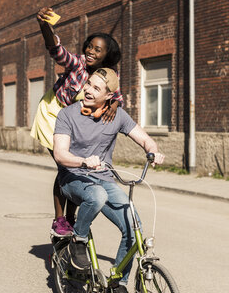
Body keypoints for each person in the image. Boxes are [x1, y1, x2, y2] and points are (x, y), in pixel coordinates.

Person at [53, 68, 165, 292]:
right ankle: (79, 241)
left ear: (109, 96)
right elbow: (60, 154)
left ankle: (119, 282)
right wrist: (84, 161)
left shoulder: (118, 116)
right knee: (97, 196)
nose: (88, 90)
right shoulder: (67, 115)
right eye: (88, 84)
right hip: (73, 177)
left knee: (134, 227)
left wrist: (153, 151)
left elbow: (144, 139)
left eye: (96, 88)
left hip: (104, 179)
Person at [30, 7, 125, 237]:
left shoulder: (109, 74)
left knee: (77, 168)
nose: (90, 52)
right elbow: (57, 50)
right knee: (65, 165)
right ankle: (60, 219)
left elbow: (117, 95)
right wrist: (45, 25)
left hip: (74, 121)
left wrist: (113, 105)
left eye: (97, 50)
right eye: (90, 46)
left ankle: (71, 217)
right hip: (53, 113)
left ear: (107, 56)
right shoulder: (77, 63)